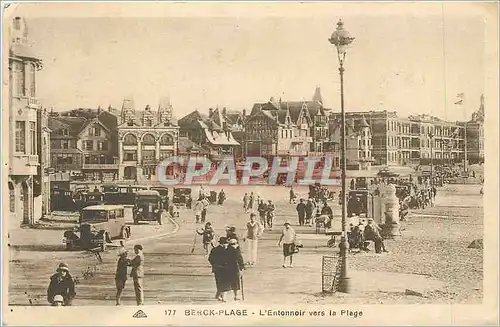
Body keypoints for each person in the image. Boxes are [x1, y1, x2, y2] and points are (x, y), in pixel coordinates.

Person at [208, 237, 229, 302]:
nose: (227, 245)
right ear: (223, 244)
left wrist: (214, 265)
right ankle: (223, 297)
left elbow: (210, 258)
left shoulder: (214, 249)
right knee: (225, 282)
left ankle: (218, 295)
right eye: (226, 243)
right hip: (225, 269)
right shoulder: (226, 251)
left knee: (219, 282)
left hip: (217, 269)